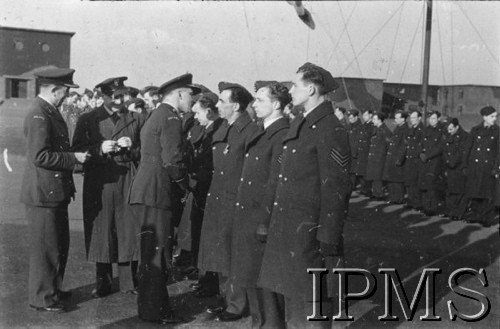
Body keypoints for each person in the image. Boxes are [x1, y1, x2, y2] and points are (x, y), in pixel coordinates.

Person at [259, 63, 351, 328]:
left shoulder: (330, 128)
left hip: (311, 235)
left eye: (295, 85)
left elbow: (336, 188)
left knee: (313, 305)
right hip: (289, 230)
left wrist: (328, 236)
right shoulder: (303, 122)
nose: (291, 90)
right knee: (295, 303)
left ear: (310, 89)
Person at [128, 73, 200, 324]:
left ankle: (150, 307)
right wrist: (186, 185)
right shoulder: (170, 117)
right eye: (190, 95)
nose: (192, 100)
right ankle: (155, 310)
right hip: (158, 192)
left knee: (150, 253)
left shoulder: (156, 115)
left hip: (146, 191)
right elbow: (172, 161)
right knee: (158, 254)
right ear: (179, 94)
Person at [21, 68, 90, 312]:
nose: (67, 97)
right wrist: (73, 158)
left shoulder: (48, 111)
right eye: (65, 92)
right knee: (46, 249)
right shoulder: (38, 113)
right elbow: (40, 156)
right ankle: (43, 297)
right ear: (53, 90)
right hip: (43, 193)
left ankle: (53, 290)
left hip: (52, 192)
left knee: (58, 244)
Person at [72, 76, 145, 298]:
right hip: (100, 180)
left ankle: (128, 282)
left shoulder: (137, 119)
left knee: (127, 229)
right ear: (103, 96)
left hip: (127, 180)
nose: (120, 100)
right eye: (115, 97)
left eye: (123, 96)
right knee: (101, 231)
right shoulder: (88, 119)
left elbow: (146, 152)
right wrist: (100, 148)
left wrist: (132, 149)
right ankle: (103, 282)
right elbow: (76, 152)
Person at [229, 81, 290, 327]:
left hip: (261, 219)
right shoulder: (262, 130)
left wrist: (264, 221)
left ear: (276, 105)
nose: (254, 104)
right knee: (251, 277)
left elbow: (276, 182)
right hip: (248, 216)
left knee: (265, 283)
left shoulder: (282, 133)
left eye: (260, 100)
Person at [197, 81, 259, 321]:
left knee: (234, 254)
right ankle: (227, 299)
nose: (218, 105)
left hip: (235, 202)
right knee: (222, 253)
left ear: (235, 105)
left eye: (222, 101)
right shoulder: (227, 127)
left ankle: (237, 304)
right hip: (219, 198)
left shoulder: (250, 131)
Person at [463, 106, 499, 227]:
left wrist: (496, 168)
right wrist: (465, 165)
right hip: (475, 166)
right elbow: (468, 148)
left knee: (487, 193)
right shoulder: (475, 130)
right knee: (475, 191)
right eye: (492, 116)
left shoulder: (498, 131)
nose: (494, 119)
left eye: (495, 116)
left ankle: (486, 218)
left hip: (488, 167)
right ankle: (476, 215)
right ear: (484, 117)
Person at [418, 111, 446, 216]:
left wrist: (428, 156)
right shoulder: (426, 130)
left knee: (432, 186)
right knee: (424, 184)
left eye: (434, 118)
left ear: (438, 119)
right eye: (430, 118)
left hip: (435, 161)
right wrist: (421, 153)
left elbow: (440, 147)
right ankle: (425, 207)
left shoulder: (442, 130)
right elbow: (420, 143)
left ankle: (432, 208)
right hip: (424, 161)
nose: (431, 120)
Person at [443, 118, 471, 221]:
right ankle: (451, 211)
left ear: (457, 127)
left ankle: (459, 213)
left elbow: (461, 153)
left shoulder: (465, 137)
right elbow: (445, 150)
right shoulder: (448, 135)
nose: (449, 131)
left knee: (460, 192)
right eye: (448, 129)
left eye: (451, 129)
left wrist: (452, 162)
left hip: (459, 167)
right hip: (450, 167)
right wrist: (447, 161)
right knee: (450, 191)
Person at [382, 110, 409, 204]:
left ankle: (398, 199)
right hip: (392, 157)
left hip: (397, 159)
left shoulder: (405, 129)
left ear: (403, 119)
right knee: (391, 180)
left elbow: (405, 146)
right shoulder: (398, 128)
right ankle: (393, 198)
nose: (395, 119)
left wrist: (400, 159)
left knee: (397, 181)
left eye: (397, 118)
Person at [365, 112, 392, 199]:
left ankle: (379, 194)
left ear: (380, 120)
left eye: (375, 119)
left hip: (380, 158)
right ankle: (375, 193)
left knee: (378, 177)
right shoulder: (376, 129)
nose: (373, 121)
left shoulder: (385, 130)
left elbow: (388, 145)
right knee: (374, 176)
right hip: (374, 157)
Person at [404, 110, 424, 210]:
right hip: (410, 159)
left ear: (419, 118)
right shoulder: (412, 129)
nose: (411, 120)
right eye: (411, 118)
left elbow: (421, 146)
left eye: (414, 118)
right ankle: (411, 201)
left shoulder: (422, 129)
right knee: (410, 181)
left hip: (416, 160)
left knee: (416, 182)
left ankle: (417, 203)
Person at [354, 109, 374, 196]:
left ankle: (367, 190)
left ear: (371, 115)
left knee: (366, 172)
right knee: (361, 171)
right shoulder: (363, 126)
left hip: (367, 152)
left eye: (366, 115)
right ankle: (363, 189)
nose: (364, 117)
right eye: (363, 115)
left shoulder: (372, 126)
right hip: (361, 151)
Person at [347, 109, 362, 190]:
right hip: (349, 151)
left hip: (354, 152)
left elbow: (358, 140)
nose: (350, 119)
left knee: (353, 170)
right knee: (349, 170)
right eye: (349, 118)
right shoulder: (350, 126)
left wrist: (355, 152)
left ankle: (352, 186)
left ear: (356, 117)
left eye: (352, 118)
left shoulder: (359, 127)